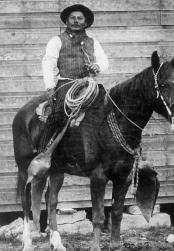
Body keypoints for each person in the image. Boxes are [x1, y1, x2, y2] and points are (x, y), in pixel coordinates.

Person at [39, 4, 109, 152]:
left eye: (79, 18)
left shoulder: (93, 42)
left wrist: (97, 66)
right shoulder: (57, 40)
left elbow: (104, 61)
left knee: (108, 109)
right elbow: (48, 63)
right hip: (66, 85)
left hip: (89, 86)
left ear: (85, 22)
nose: (76, 21)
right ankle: (43, 152)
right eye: (72, 18)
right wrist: (50, 87)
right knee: (57, 116)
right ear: (66, 21)